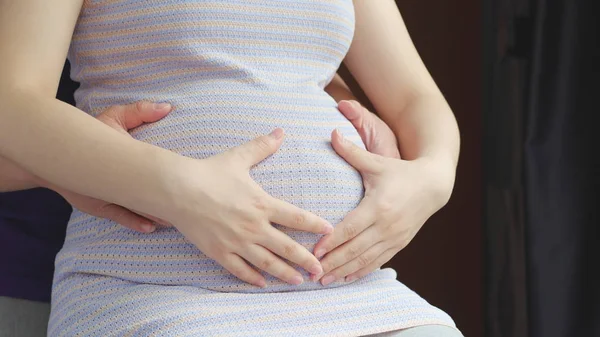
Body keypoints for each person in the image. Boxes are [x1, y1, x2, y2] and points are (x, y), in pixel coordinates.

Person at [0, 0, 461, 336]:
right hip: (155, 289)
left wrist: (431, 181)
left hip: (348, 292)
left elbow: (413, 97)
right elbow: (12, 101)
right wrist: (179, 189)